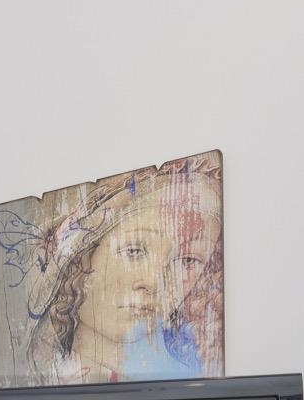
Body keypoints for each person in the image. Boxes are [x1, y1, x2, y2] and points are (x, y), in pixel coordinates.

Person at [23, 151, 224, 385]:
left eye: (187, 260)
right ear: (82, 257)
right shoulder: (40, 381)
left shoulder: (186, 383)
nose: (154, 281)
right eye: (134, 251)